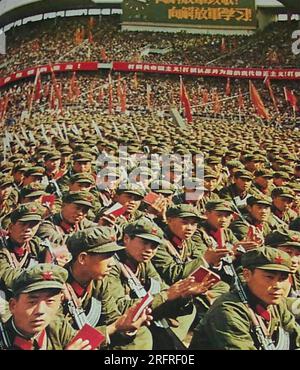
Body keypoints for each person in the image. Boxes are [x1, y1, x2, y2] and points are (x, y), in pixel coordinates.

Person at [190, 246, 300, 350]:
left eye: (282, 279)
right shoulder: (229, 311)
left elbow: (296, 336)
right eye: (269, 277)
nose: (277, 286)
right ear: (247, 275)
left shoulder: (275, 304)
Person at [64, 226, 153, 350]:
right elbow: (67, 340)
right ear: (82, 258)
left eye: (113, 256)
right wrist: (115, 327)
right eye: (106, 256)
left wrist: (127, 324)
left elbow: (111, 317)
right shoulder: (57, 290)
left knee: (141, 334)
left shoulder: (99, 283)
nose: (112, 263)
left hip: (93, 340)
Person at [0, 264, 91, 350]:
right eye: (32, 302)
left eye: (49, 301)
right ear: (13, 305)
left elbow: (90, 340)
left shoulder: (57, 325)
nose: (41, 311)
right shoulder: (3, 338)